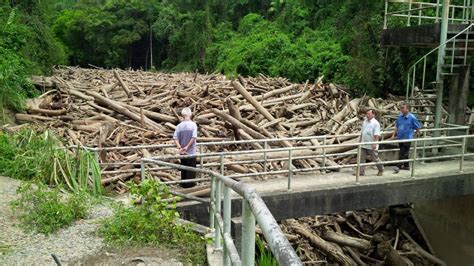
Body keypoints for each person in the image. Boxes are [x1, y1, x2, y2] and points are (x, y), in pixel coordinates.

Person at [391, 103, 421, 171]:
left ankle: (398, 166)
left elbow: (418, 127)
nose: (401, 109)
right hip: (400, 137)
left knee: (404, 152)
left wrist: (416, 134)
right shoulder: (400, 116)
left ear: (407, 109)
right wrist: (393, 135)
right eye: (401, 108)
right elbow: (397, 126)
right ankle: (406, 166)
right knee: (403, 151)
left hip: (407, 137)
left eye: (403, 108)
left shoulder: (412, 117)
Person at [173, 107, 198, 188]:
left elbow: (175, 138)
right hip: (191, 151)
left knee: (183, 168)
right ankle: (190, 186)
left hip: (182, 152)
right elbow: (194, 137)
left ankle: (183, 184)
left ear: (182, 115)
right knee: (191, 169)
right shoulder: (193, 125)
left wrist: (180, 147)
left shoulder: (179, 126)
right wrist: (187, 147)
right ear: (190, 114)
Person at [356, 109, 384, 176]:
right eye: (367, 114)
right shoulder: (365, 121)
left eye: (369, 114)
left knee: (375, 158)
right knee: (361, 158)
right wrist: (360, 141)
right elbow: (362, 132)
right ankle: (361, 171)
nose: (367, 115)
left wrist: (374, 143)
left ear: (373, 115)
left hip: (371, 143)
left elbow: (376, 134)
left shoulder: (376, 123)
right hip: (363, 143)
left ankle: (381, 169)